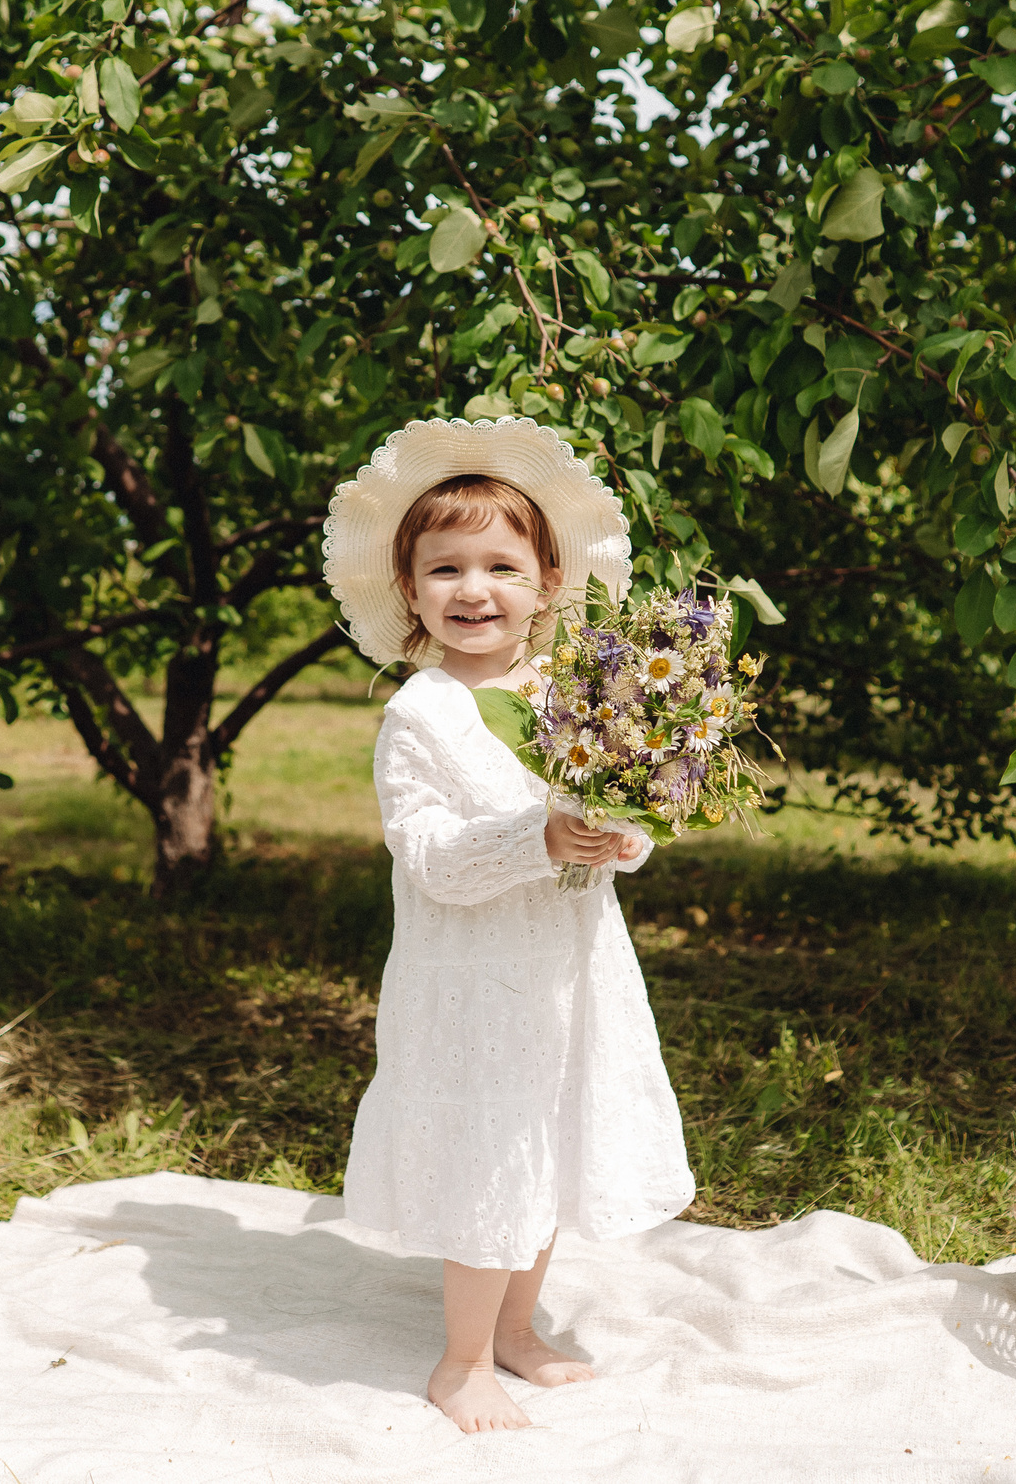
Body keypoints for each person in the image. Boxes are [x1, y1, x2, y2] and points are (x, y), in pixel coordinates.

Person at [321, 416, 695, 1434]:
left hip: (569, 969)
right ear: (409, 590)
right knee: (492, 1155)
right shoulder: (422, 715)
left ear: (546, 583)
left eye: (500, 567)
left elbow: (629, 810)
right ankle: (462, 1361)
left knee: (548, 1143)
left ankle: (520, 1329)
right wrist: (539, 838)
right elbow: (432, 856)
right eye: (445, 568)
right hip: (473, 980)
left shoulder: (576, 696)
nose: (472, 589)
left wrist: (618, 836)